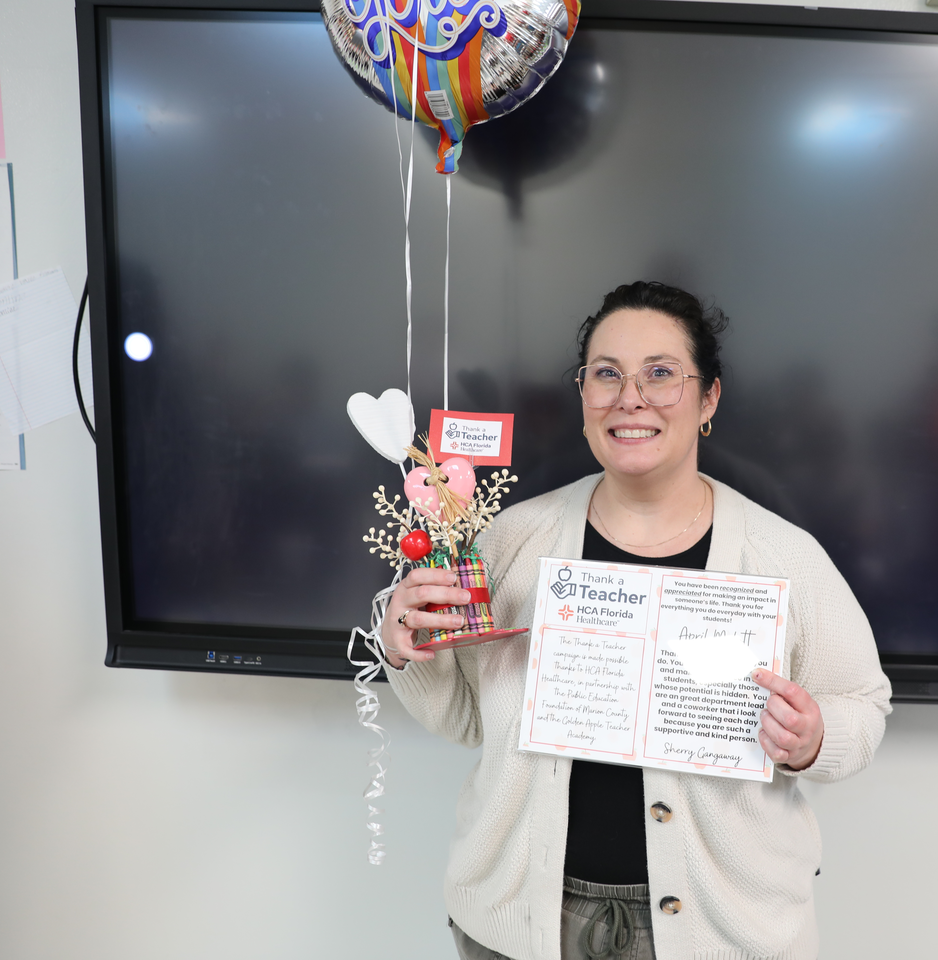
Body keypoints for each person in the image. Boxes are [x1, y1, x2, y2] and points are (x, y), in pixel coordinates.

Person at [382, 281, 892, 960]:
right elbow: (467, 716)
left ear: (709, 399)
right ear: (584, 398)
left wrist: (812, 736)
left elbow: (864, 704)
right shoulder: (510, 541)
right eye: (606, 375)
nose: (631, 397)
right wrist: (407, 649)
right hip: (522, 928)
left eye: (661, 374)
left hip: (723, 934)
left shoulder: (782, 558)